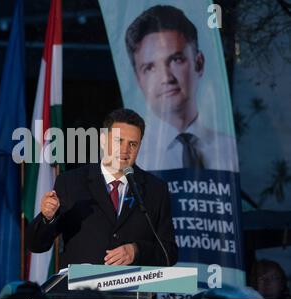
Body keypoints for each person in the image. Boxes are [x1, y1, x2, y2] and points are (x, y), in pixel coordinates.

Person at [27, 109, 178, 268]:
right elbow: (37, 245)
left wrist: (136, 251)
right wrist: (47, 217)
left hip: (135, 291)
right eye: (119, 140)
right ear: (103, 140)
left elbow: (169, 253)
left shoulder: (155, 189)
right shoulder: (70, 183)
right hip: (83, 291)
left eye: (132, 144)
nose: (125, 150)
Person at [125, 5, 238, 171]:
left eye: (176, 60)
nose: (166, 78)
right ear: (138, 79)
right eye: (150, 68)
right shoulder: (127, 158)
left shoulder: (230, 151)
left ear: (199, 63)